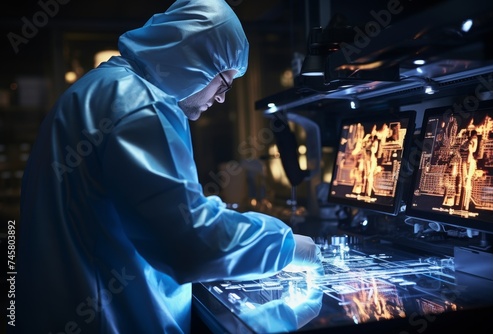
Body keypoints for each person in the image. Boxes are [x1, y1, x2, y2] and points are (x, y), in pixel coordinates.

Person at [14, 0, 323, 333]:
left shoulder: (101, 88)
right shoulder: (137, 105)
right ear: (195, 59)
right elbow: (191, 242)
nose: (221, 98)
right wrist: (287, 244)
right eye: (224, 83)